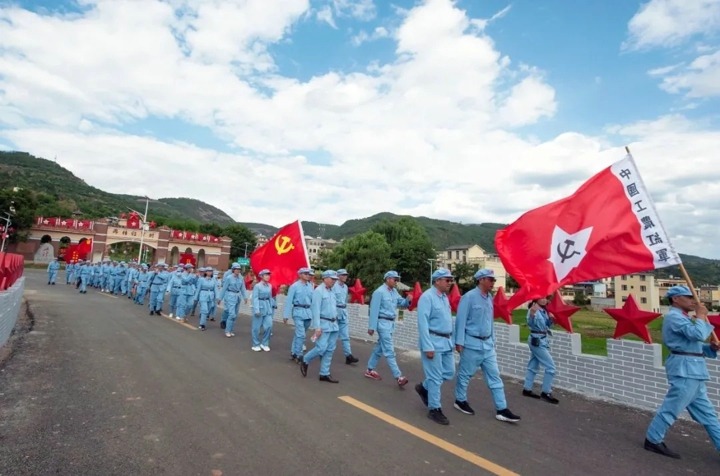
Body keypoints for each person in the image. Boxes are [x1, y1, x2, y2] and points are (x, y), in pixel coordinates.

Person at [644, 285, 720, 459]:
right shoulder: (673, 317)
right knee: (671, 408)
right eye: (689, 296)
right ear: (675, 299)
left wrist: (711, 348)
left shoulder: (682, 317)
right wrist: (701, 315)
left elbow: (693, 345)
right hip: (685, 370)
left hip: (694, 370)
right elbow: (697, 335)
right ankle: (653, 440)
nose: (694, 300)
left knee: (709, 416)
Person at [453, 269, 521, 423]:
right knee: (465, 375)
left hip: (488, 345)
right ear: (481, 280)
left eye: (493, 280)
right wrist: (459, 342)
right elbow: (460, 321)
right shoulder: (469, 297)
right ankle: (460, 400)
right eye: (491, 280)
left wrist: (493, 340)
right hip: (472, 344)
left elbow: (489, 321)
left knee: (495, 377)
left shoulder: (489, 297)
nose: (493, 283)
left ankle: (502, 409)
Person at [415, 268, 455, 425]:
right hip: (433, 341)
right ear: (437, 281)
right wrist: (427, 346)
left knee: (449, 372)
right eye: (447, 280)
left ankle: (424, 387)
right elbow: (422, 323)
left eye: (451, 280)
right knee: (435, 376)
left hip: (446, 342)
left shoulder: (444, 297)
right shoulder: (427, 297)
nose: (449, 283)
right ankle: (434, 409)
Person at [365, 270, 411, 387]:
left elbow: (402, 303)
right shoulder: (379, 292)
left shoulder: (394, 291)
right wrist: (371, 327)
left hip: (390, 323)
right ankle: (398, 376)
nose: (396, 281)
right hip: (382, 323)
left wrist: (408, 300)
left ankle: (369, 370)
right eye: (394, 279)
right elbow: (373, 310)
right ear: (387, 279)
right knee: (389, 350)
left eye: (397, 279)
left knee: (379, 348)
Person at [300, 270, 340, 383]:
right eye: (332, 279)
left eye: (335, 280)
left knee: (330, 349)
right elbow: (315, 310)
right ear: (325, 278)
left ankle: (324, 373)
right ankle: (306, 359)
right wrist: (317, 327)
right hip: (323, 324)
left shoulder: (332, 291)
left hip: (333, 324)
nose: (334, 281)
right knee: (321, 348)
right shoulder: (319, 291)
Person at [522, 296, 559, 404]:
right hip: (536, 340)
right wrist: (533, 315)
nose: (544, 300)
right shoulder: (533, 309)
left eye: (546, 298)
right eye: (541, 297)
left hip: (542, 339)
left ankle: (527, 389)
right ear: (536, 299)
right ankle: (546, 392)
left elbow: (546, 326)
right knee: (551, 367)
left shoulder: (544, 311)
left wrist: (551, 318)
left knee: (533, 365)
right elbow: (531, 323)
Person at [284, 268, 315, 363]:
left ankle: (293, 352)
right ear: (300, 274)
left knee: (300, 334)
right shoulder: (294, 286)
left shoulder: (310, 286)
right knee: (301, 334)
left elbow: (313, 301)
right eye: (305, 274)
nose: (308, 275)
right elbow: (289, 301)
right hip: (298, 311)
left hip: (308, 312)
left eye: (309, 274)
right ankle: (299, 354)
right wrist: (286, 315)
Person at [334, 269, 359, 365]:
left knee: (345, 336)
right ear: (338, 276)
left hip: (343, 311)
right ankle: (323, 351)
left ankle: (348, 355)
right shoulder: (334, 286)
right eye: (343, 275)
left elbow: (345, 300)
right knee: (332, 335)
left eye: (346, 275)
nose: (345, 277)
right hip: (335, 311)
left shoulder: (345, 287)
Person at [217, 263, 248, 337]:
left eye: (239, 269)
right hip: (230, 296)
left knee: (235, 315)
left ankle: (231, 330)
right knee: (232, 314)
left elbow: (243, 288)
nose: (238, 271)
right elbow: (224, 288)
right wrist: (220, 298)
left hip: (237, 296)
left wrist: (245, 297)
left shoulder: (241, 278)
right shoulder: (229, 278)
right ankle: (227, 330)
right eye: (236, 269)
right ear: (233, 270)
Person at [251, 269, 274, 351]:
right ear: (261, 276)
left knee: (269, 326)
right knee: (256, 328)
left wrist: (272, 305)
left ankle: (265, 343)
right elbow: (255, 298)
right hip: (259, 307)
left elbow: (270, 297)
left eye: (268, 275)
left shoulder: (270, 286)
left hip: (267, 307)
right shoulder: (257, 286)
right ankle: (255, 344)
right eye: (266, 275)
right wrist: (256, 309)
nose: (268, 276)